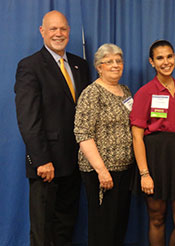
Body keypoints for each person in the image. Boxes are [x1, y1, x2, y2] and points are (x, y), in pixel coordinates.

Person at [14, 10, 90, 245]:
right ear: (42, 31)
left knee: (66, 226)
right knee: (43, 229)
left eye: (63, 29)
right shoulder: (30, 66)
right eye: (53, 29)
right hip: (47, 164)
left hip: (75, 162)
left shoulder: (80, 65)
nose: (59, 34)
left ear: (69, 32)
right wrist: (41, 160)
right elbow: (29, 118)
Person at [130, 40, 175, 246]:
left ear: (174, 57)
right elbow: (137, 136)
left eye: (169, 56)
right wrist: (144, 173)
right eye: (160, 58)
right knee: (157, 218)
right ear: (152, 62)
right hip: (156, 159)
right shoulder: (145, 92)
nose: (166, 62)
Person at [74, 43, 133, 246]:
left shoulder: (125, 91)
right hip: (101, 172)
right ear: (99, 66)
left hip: (124, 170)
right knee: (103, 228)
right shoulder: (92, 93)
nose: (115, 65)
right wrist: (102, 171)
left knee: (118, 225)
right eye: (109, 62)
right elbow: (83, 134)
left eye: (119, 61)